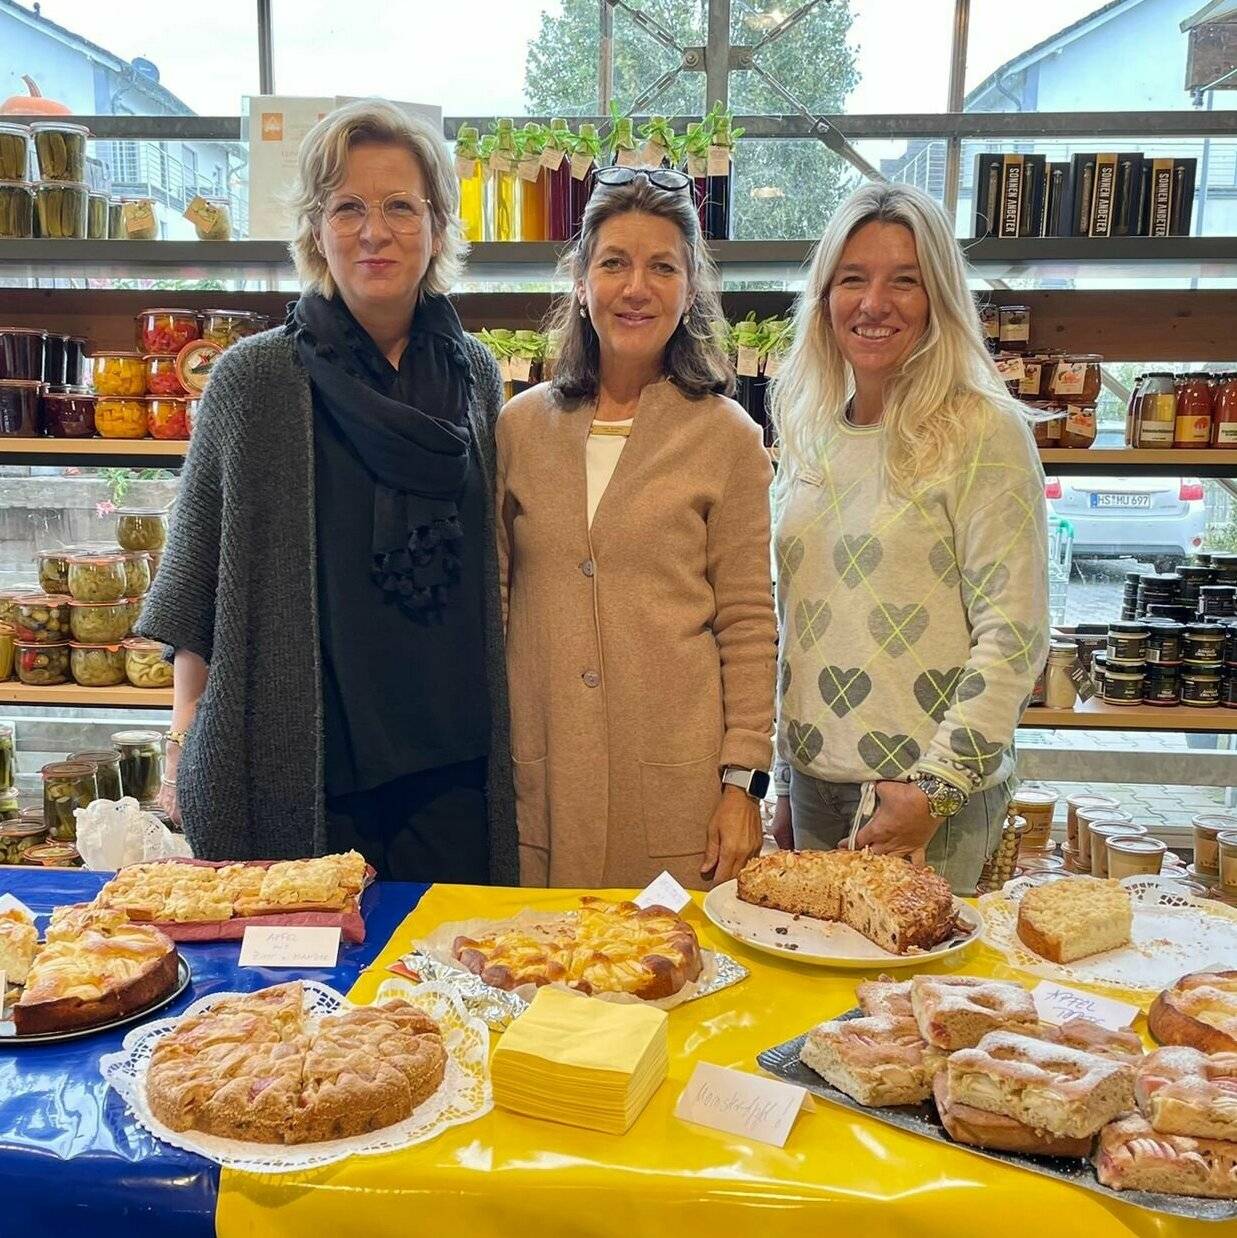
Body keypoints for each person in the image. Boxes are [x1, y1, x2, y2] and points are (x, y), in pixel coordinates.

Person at [139, 100, 516, 883]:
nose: (374, 232)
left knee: (453, 956)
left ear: (437, 227)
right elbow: (198, 576)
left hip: (456, 768)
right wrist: (184, 738)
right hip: (309, 766)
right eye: (347, 208)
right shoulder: (255, 378)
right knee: (307, 959)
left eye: (399, 207)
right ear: (315, 229)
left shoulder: (475, 375)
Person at [497, 167, 776, 891]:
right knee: (536, 956)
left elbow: (747, 622)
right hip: (544, 780)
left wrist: (742, 784)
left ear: (690, 290)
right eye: (614, 263)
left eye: (663, 268)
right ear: (581, 283)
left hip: (677, 786)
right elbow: (496, 604)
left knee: (667, 957)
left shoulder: (727, 438)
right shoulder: (519, 429)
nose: (636, 288)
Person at [769, 182, 1048, 895]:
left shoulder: (981, 431)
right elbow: (798, 627)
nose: (873, 303)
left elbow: (1014, 634)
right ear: (824, 297)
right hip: (815, 784)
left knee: (914, 972)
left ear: (940, 299)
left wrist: (935, 790)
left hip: (926, 799)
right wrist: (784, 774)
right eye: (851, 279)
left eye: (905, 281)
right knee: (812, 972)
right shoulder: (812, 433)